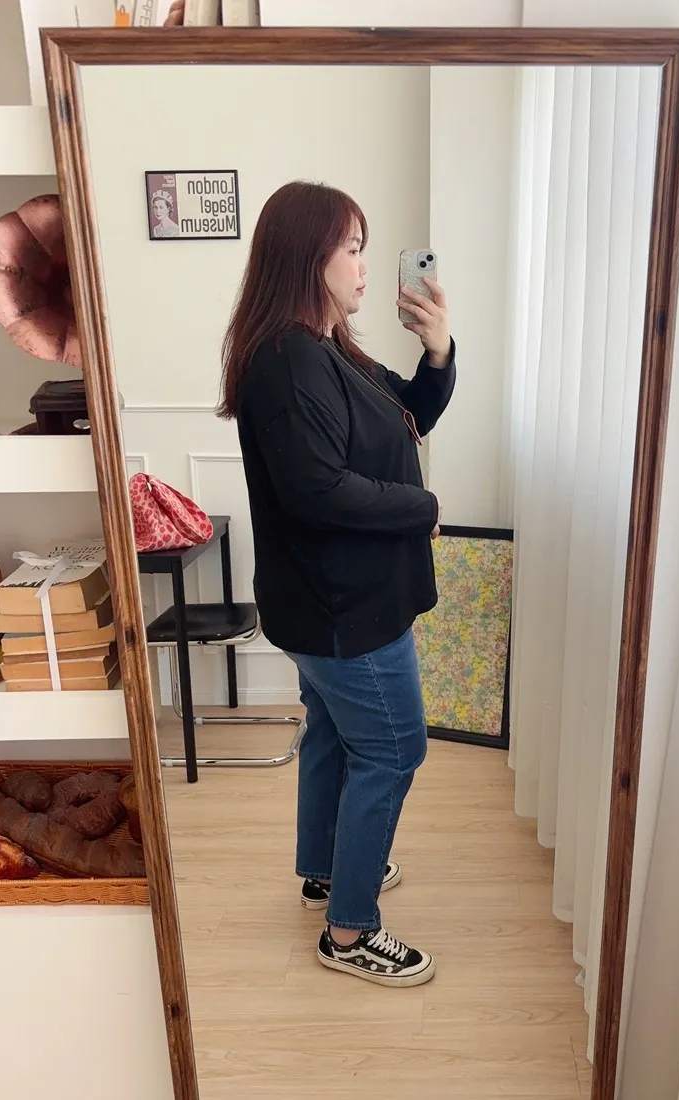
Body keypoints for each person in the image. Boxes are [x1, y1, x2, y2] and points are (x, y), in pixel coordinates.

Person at [218, 180, 456, 987]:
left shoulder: (327, 348)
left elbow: (413, 412)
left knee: (333, 734)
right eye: (351, 248)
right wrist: (423, 506)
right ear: (307, 255)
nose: (363, 266)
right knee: (392, 749)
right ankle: (350, 931)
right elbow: (317, 491)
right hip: (341, 608)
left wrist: (438, 350)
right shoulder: (289, 361)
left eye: (363, 248)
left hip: (328, 602)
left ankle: (326, 871)